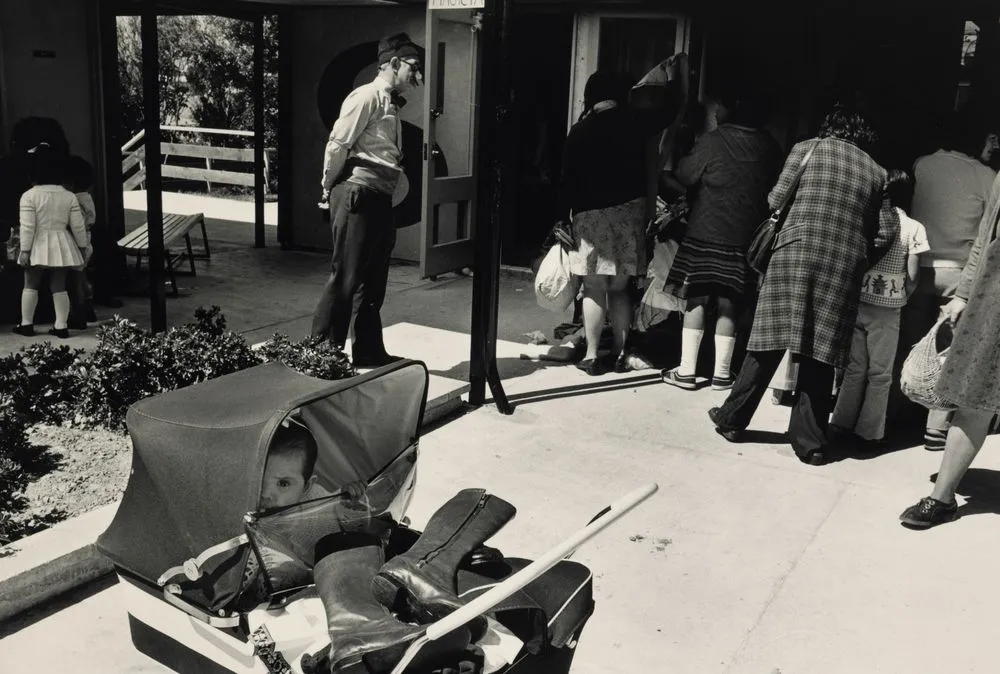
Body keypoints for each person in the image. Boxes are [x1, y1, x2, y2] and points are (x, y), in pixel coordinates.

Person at [707, 106, 900, 466]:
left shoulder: (807, 149)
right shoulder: (877, 171)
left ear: (829, 125)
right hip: (842, 266)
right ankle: (810, 442)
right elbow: (887, 231)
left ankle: (732, 419)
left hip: (794, 253)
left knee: (766, 341)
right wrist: (856, 256)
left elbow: (776, 200)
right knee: (820, 351)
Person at [311, 33, 423, 368]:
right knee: (346, 277)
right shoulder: (365, 97)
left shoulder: (390, 103)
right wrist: (327, 187)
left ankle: (369, 350)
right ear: (392, 64)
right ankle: (321, 356)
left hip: (380, 198)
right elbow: (338, 144)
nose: (416, 76)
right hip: (357, 194)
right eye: (412, 68)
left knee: (373, 282)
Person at [660, 89, 783, 391]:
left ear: (732, 111)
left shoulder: (712, 141)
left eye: (720, 108)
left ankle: (687, 372)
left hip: (705, 232)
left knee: (696, 299)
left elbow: (685, 175)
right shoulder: (769, 146)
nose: (715, 113)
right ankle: (722, 375)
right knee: (730, 304)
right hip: (745, 238)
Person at [899, 172, 1000, 529]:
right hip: (995, 297)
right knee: (976, 397)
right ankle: (941, 499)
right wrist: (962, 294)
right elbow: (985, 237)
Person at [895, 113, 997, 450]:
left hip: (918, 264)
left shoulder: (923, 164)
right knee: (945, 351)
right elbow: (986, 231)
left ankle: (901, 409)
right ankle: (935, 428)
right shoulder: (986, 176)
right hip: (958, 274)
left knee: (910, 343)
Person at [557, 70, 652, 375]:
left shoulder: (581, 130)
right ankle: (622, 353)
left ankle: (593, 355)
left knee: (595, 288)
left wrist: (561, 218)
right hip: (630, 215)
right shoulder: (637, 127)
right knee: (621, 290)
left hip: (591, 216)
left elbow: (566, 180)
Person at [830, 169, 929, 447]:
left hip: (860, 300)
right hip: (888, 308)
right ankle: (869, 431)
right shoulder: (915, 228)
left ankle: (840, 422)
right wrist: (902, 297)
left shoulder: (871, 220)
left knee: (854, 367)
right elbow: (912, 277)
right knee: (881, 373)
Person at [13, 144, 89, 339]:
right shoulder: (69, 196)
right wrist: (82, 247)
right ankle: (61, 326)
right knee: (59, 285)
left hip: (37, 243)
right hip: (62, 242)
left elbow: (28, 226)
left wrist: (25, 250)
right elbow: (78, 226)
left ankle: (26, 324)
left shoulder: (28, 196)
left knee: (30, 284)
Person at [64, 156, 97, 330]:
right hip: (86, 242)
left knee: (75, 281)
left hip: (78, 244)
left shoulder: (75, 200)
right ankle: (89, 308)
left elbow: (77, 224)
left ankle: (78, 315)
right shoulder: (87, 197)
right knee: (83, 279)